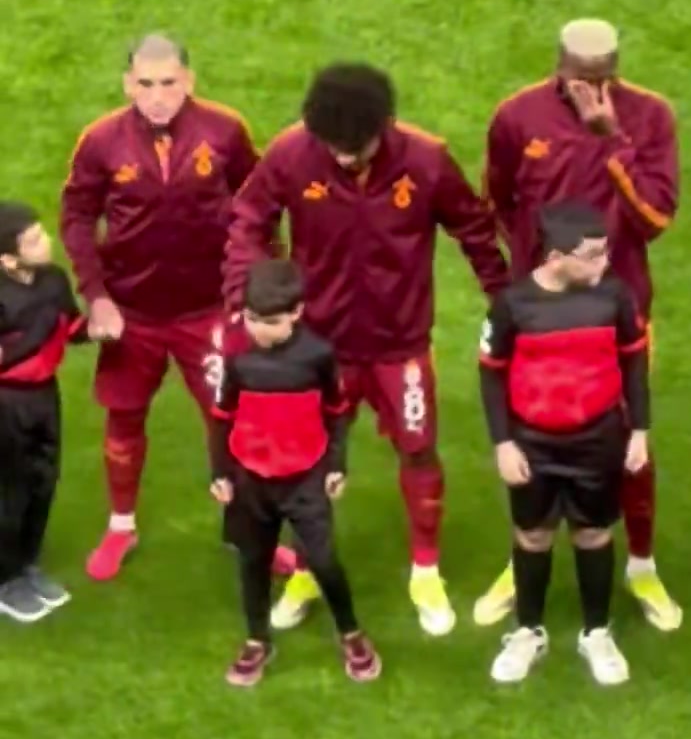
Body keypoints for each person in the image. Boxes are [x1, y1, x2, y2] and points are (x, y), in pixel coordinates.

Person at [224, 63, 508, 636]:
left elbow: (473, 229)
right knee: (304, 458)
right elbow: (248, 219)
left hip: (399, 345)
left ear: (387, 124)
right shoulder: (290, 154)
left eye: (357, 147)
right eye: (334, 147)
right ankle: (307, 569)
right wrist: (243, 293)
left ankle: (425, 570)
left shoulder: (427, 161)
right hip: (317, 347)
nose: (346, 157)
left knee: (419, 449)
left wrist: (505, 301)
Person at [477, 18, 681, 632]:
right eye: (581, 77)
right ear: (559, 66)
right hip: (537, 317)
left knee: (628, 443)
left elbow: (655, 218)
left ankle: (641, 563)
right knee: (528, 432)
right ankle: (525, 556)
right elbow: (499, 202)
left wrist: (611, 140)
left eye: (603, 77)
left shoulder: (649, 117)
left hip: (618, 311)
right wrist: (533, 279)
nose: (592, 88)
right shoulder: (516, 117)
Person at [60, 33, 266, 581]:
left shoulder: (225, 130)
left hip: (209, 309)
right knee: (125, 415)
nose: (158, 96)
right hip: (133, 314)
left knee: (231, 417)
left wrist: (260, 286)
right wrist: (97, 297)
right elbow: (76, 217)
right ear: (128, 84)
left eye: (169, 83)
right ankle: (121, 525)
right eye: (146, 84)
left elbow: (258, 205)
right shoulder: (101, 140)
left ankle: (245, 528)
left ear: (188, 81)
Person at [478, 201, 650, 687]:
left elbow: (635, 363)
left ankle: (596, 633)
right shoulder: (513, 305)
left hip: (597, 439)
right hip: (532, 443)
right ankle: (527, 631)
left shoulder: (615, 298)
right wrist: (503, 443)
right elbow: (491, 376)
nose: (604, 263)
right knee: (532, 534)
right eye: (593, 255)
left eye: (605, 252)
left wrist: (640, 430)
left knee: (593, 533)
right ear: (556, 258)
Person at [211, 260, 381, 690]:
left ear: (297, 313)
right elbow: (222, 416)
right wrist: (221, 473)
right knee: (253, 561)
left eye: (271, 322)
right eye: (252, 319)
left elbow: (337, 412)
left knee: (323, 561)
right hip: (251, 480)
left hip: (305, 478)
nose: (259, 329)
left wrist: (336, 464)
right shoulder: (237, 358)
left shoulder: (318, 356)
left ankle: (351, 633)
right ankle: (257, 640)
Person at [0, 204, 87, 621]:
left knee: (44, 479)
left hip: (44, 397)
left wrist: (97, 329)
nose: (46, 242)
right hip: (6, 403)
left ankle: (26, 563)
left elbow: (70, 327)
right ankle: (5, 580)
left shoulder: (53, 279)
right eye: (33, 241)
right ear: (8, 259)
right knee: (10, 490)